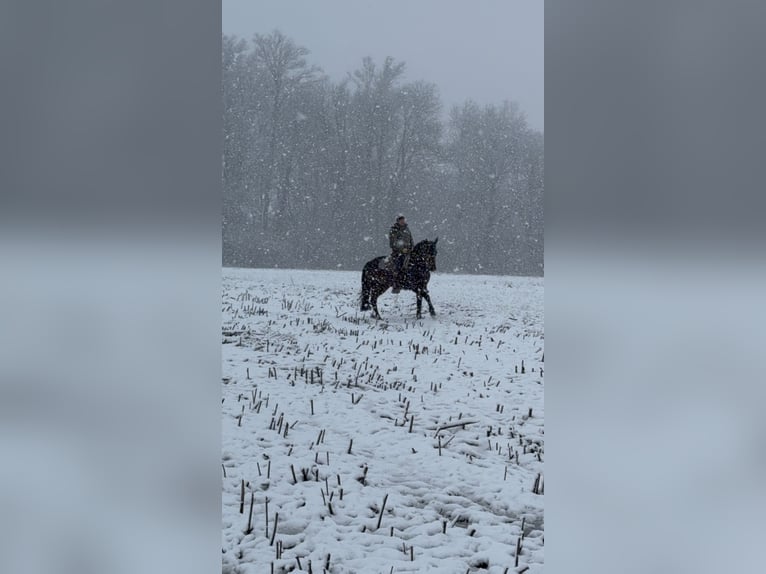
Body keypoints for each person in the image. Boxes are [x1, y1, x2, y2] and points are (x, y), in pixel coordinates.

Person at [388, 214, 413, 293]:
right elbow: (393, 242)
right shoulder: (394, 230)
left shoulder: (407, 229)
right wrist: (402, 249)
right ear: (398, 221)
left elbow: (411, 239)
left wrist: (412, 247)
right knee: (399, 266)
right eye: (400, 220)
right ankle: (396, 284)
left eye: (403, 220)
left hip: (408, 252)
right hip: (398, 253)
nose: (402, 221)